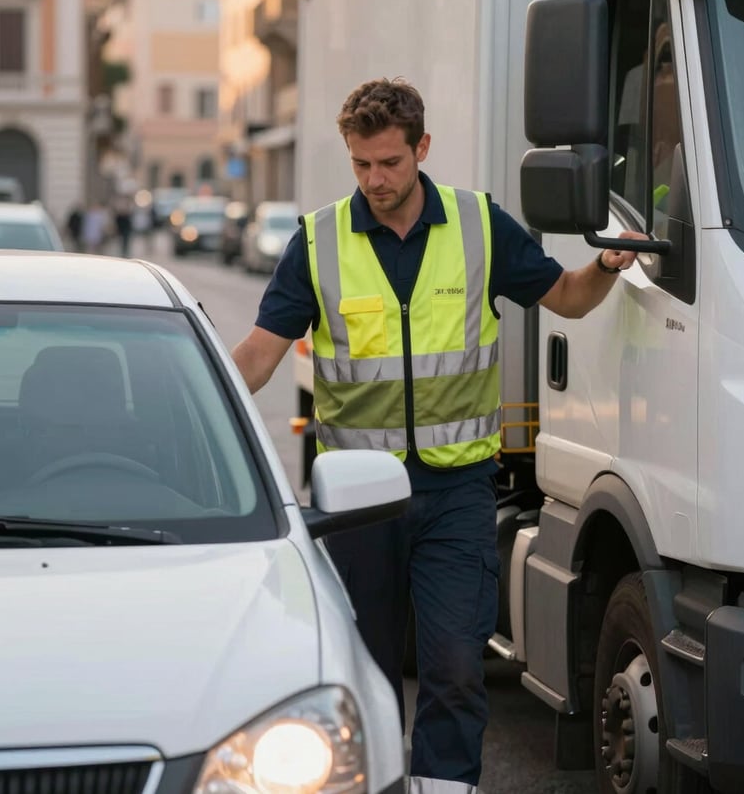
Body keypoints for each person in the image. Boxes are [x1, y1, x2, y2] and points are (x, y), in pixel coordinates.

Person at [231, 78, 644, 794]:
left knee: (454, 662)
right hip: (358, 501)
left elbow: (568, 299)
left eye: (389, 162)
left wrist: (605, 267)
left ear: (422, 148)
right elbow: (260, 356)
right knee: (362, 668)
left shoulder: (479, 226)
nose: (375, 180)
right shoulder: (318, 241)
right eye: (361, 164)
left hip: (456, 491)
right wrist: (200, 410)